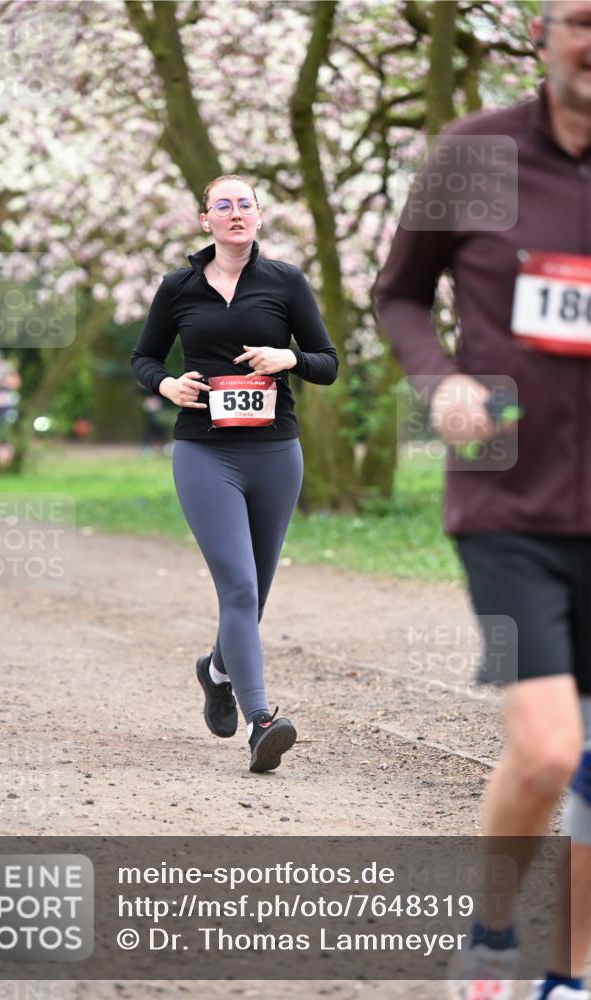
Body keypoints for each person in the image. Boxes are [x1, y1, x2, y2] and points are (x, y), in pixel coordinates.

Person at [374, 2, 591, 998]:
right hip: (506, 505)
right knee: (548, 750)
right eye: (584, 19)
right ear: (542, 34)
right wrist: (438, 382)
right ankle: (492, 931)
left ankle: (568, 973)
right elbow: (401, 294)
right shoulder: (475, 153)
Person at [131, 174, 338, 773]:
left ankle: (216, 669)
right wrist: (166, 383)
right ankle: (261, 722)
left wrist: (290, 357)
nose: (235, 213)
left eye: (244, 204)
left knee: (256, 593)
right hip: (204, 452)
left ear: (259, 216)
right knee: (239, 589)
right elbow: (144, 357)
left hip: (276, 453)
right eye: (222, 205)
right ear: (206, 221)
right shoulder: (179, 287)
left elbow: (327, 363)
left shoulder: (285, 282)